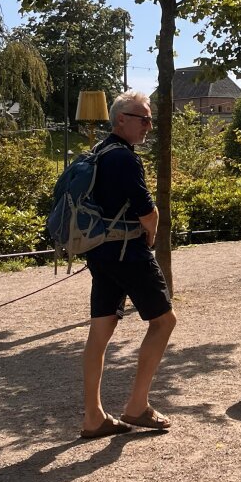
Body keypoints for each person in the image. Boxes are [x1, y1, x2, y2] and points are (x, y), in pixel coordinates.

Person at [78, 91, 176, 439]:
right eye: (143, 119)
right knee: (164, 322)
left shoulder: (99, 151)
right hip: (128, 252)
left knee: (99, 332)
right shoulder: (124, 158)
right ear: (121, 119)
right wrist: (151, 234)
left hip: (100, 252)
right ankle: (137, 405)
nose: (149, 126)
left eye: (150, 119)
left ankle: (94, 417)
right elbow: (147, 212)